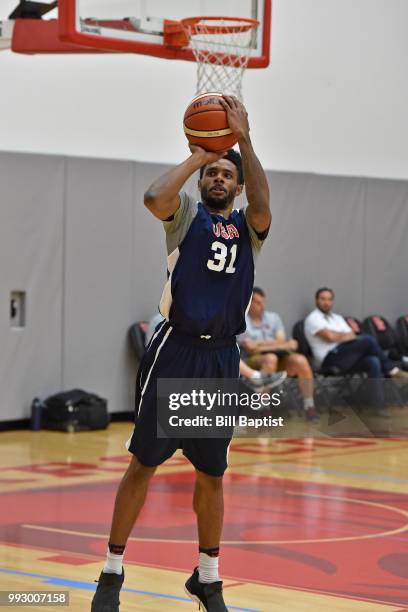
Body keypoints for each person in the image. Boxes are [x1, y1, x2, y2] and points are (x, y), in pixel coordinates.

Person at [91, 95, 272, 612]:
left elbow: (262, 206)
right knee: (143, 464)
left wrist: (244, 142)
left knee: (212, 472)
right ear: (200, 182)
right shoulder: (184, 216)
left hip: (220, 359)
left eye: (226, 175)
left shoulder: (248, 230)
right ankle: (111, 573)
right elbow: (153, 196)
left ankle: (208, 578)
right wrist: (201, 151)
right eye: (211, 174)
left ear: (236, 186)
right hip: (175, 350)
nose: (218, 178)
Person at [304, 287, 408, 415]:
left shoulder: (337, 318)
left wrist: (338, 336)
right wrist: (342, 336)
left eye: (329, 299)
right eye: (323, 299)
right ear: (316, 300)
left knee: (373, 361)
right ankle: (392, 370)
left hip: (347, 356)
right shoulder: (312, 319)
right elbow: (330, 337)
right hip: (329, 359)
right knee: (368, 340)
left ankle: (377, 407)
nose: (326, 302)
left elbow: (352, 335)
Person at [147, 311, 286, 391]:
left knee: (223, 351)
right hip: (170, 367)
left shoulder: (195, 320)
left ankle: (253, 381)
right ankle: (255, 377)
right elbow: (154, 354)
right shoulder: (160, 321)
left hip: (195, 363)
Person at [239, 287, 319, 422]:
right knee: (271, 358)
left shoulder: (273, 317)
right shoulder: (242, 320)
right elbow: (251, 348)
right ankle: (264, 408)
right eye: (258, 303)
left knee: (300, 360)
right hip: (253, 360)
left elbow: (284, 341)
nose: (262, 306)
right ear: (249, 303)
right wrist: (279, 343)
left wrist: (261, 344)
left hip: (280, 357)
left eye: (263, 302)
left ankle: (309, 406)